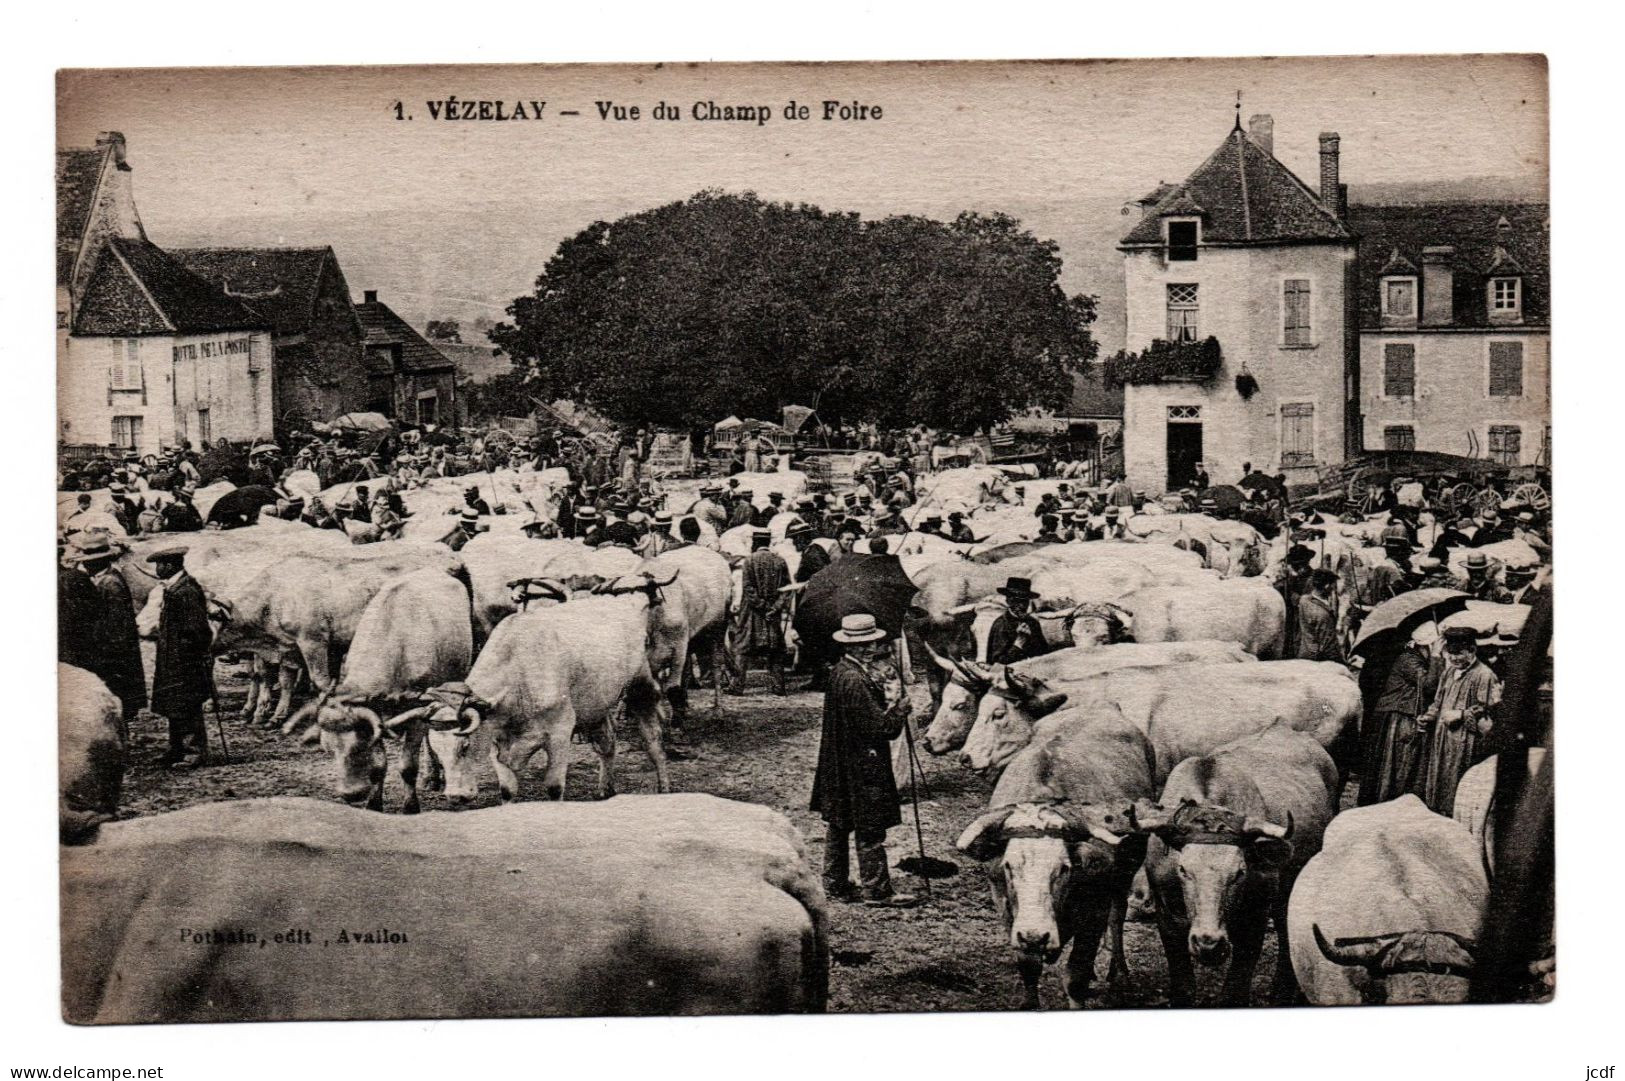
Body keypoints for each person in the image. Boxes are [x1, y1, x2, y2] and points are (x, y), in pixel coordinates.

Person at [809, 613, 918, 907]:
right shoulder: (856, 679)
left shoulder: (841, 673)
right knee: (869, 827)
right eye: (868, 644)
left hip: (840, 762)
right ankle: (877, 891)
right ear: (854, 647)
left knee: (839, 822)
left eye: (873, 642)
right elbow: (879, 729)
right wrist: (899, 708)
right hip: (862, 765)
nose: (874, 648)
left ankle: (834, 885)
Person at [1417, 625, 1502, 814]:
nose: (1454, 658)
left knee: (1456, 784)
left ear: (1472, 651)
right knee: (1437, 782)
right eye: (1450, 653)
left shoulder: (1484, 675)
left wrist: (1462, 714)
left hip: (1465, 743)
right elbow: (1438, 701)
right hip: (1442, 739)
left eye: (1459, 653)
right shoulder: (1448, 672)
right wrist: (1429, 717)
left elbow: (1489, 711)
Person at [1358, 622, 1441, 806]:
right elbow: (1429, 685)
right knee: (1394, 766)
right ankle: (1388, 802)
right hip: (1397, 717)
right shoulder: (1407, 659)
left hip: (1401, 715)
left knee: (1398, 766)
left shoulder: (1414, 658)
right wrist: (1435, 656)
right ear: (1425, 645)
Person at [147, 547, 214, 770]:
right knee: (174, 704)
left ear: (170, 565)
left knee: (187, 704)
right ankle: (176, 748)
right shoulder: (176, 588)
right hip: (173, 659)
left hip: (184, 661)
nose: (157, 569)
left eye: (159, 565)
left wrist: (187, 653)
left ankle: (193, 751)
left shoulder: (185, 591)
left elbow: (199, 630)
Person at [71, 534, 146, 730]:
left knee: (117, 697)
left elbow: (117, 624)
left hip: (114, 653)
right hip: (112, 648)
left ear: (99, 562)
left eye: (89, 562)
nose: (85, 566)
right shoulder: (103, 579)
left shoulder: (110, 583)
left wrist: (107, 650)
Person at [729, 528, 791, 695]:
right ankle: (778, 687)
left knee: (742, 647)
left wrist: (761, 605)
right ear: (768, 542)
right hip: (773, 614)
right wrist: (775, 608)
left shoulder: (749, 561)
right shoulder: (780, 561)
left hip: (752, 613)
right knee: (775, 649)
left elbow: (748, 588)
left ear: (755, 542)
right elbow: (787, 589)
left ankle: (737, 686)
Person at [986, 577, 1053, 665]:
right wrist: (1018, 644)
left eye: (1025, 601)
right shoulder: (1001, 625)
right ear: (1008, 601)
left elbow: (1044, 654)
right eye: (1016, 601)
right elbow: (997, 665)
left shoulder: (1033, 623)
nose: (1021, 606)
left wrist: (1032, 641)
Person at [1296, 569, 1344, 663]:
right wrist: (1341, 662)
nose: (1334, 589)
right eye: (1333, 585)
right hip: (1318, 659)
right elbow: (1328, 645)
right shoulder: (1324, 615)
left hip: (1304, 653)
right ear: (1327, 586)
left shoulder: (1304, 600)